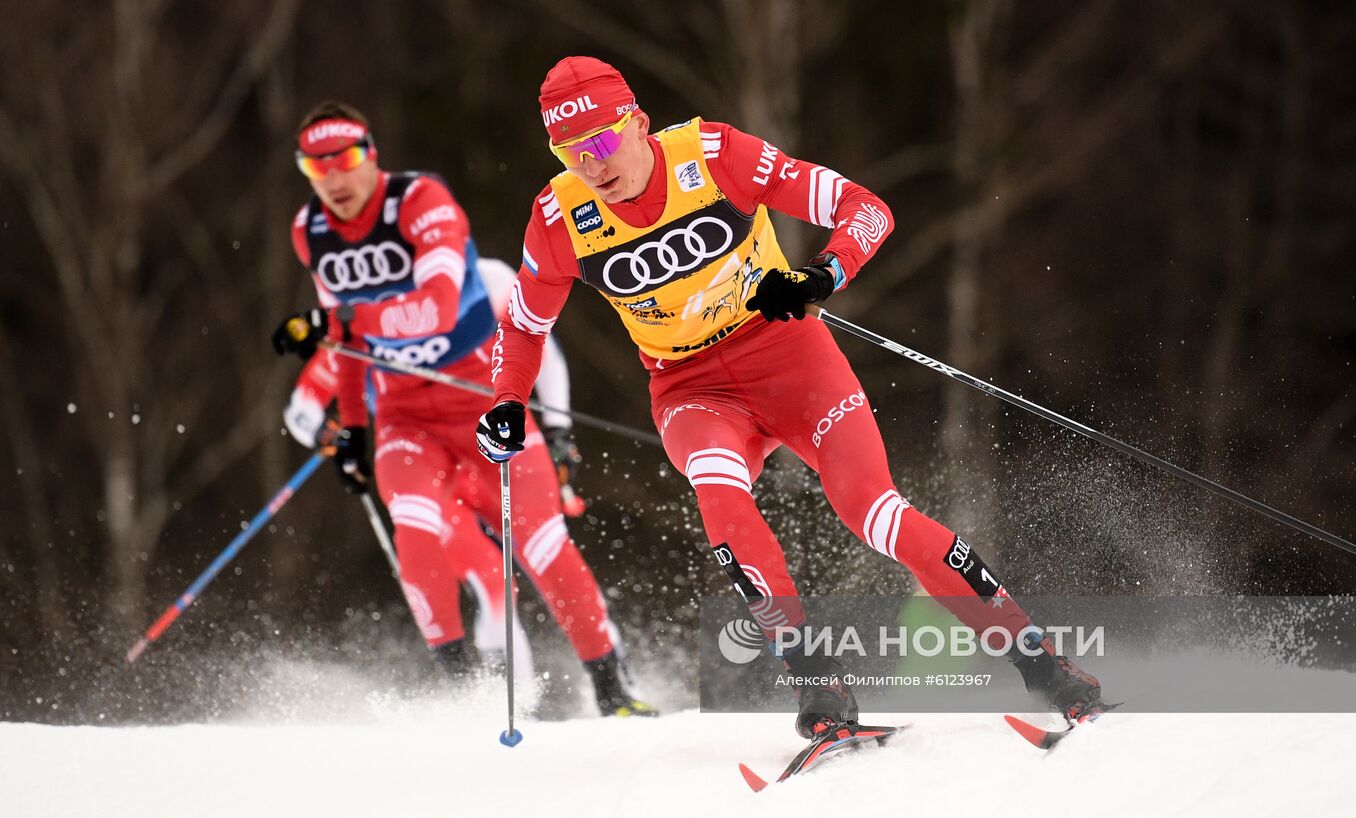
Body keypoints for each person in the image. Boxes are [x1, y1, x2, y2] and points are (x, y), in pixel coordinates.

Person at [475, 57, 1102, 738]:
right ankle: (820, 689)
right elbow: (522, 325)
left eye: (599, 141)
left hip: (789, 356)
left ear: (638, 123)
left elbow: (866, 209)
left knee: (874, 513)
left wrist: (820, 274)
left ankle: (1044, 667)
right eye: (570, 152)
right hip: (690, 387)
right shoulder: (559, 214)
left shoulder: (714, 156)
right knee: (719, 491)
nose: (590, 165)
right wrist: (507, 398)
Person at [271, 100, 654, 717]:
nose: (334, 181)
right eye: (316, 169)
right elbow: (346, 348)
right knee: (416, 531)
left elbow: (439, 307)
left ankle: (614, 690)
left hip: (482, 402)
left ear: (370, 157)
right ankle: (464, 695)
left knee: (544, 546)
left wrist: (557, 435)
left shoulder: (422, 202)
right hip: (404, 418)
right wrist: (354, 432)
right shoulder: (311, 231)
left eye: (343, 161)